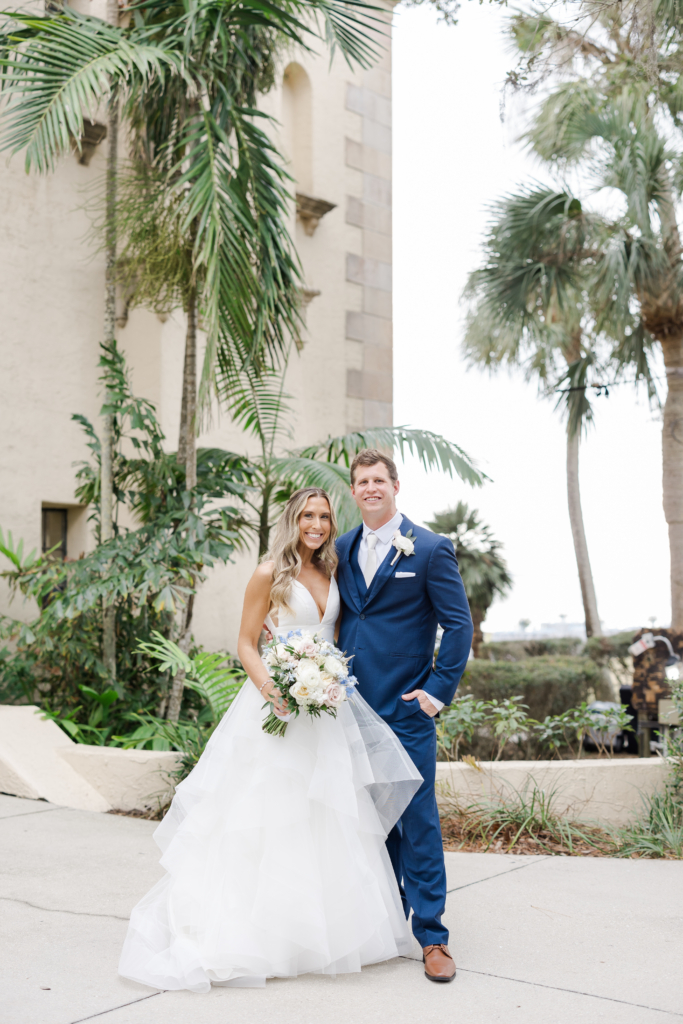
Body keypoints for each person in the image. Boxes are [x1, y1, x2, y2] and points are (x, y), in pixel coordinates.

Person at [119, 487, 422, 993]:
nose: (318, 524)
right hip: (276, 704)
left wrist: (324, 678)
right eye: (308, 515)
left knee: (325, 815)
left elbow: (338, 635)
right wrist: (273, 688)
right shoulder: (269, 574)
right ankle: (261, 935)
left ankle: (319, 935)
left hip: (325, 707)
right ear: (293, 519)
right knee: (270, 813)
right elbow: (245, 641)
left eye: (325, 516)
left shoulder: (333, 571)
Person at [336, 449, 473, 983]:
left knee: (417, 821)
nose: (371, 488)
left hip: (405, 709)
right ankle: (386, 920)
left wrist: (436, 692)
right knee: (370, 822)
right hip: (350, 710)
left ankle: (433, 937)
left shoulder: (431, 548)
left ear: (396, 486)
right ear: (354, 491)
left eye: (379, 480)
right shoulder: (341, 548)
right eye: (362, 481)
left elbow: (458, 625)